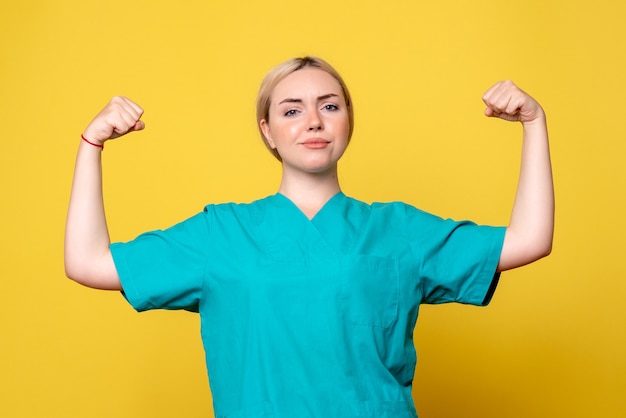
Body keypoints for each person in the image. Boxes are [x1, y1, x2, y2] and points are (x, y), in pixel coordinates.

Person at [65, 56, 554, 417]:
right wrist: (91, 146)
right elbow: (86, 262)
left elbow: (529, 239)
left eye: (329, 105)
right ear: (268, 132)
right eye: (292, 110)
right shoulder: (220, 235)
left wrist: (535, 124)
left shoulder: (399, 231)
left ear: (347, 122)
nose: (314, 121)